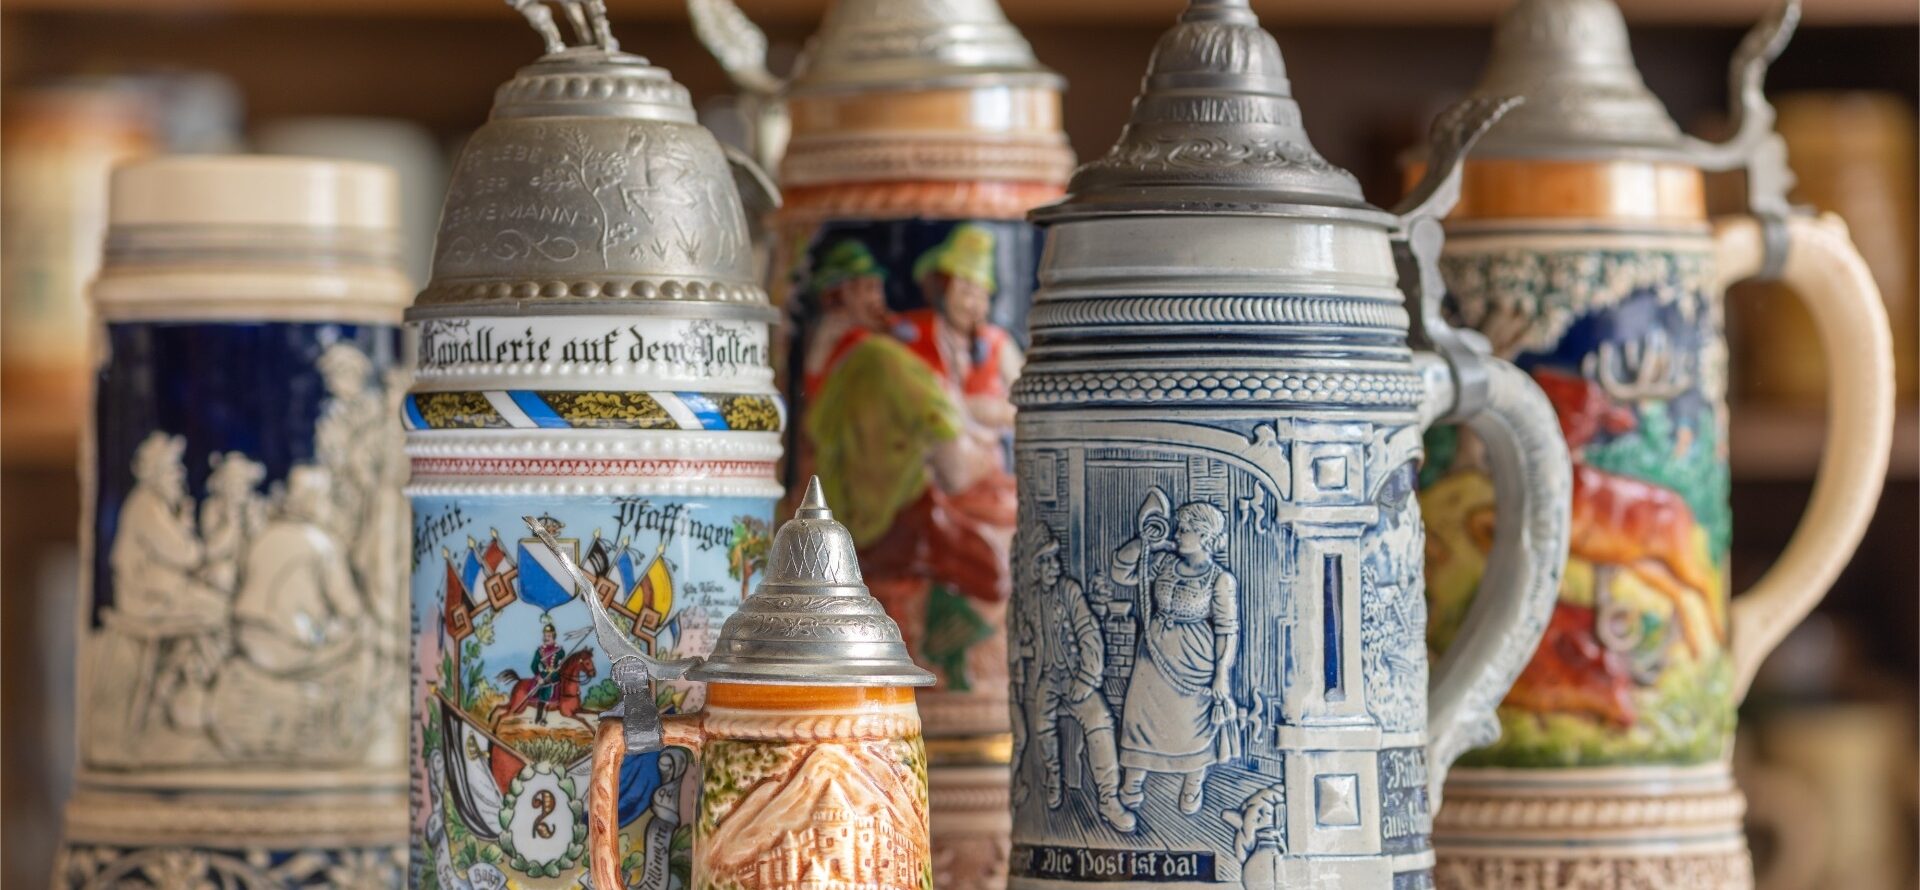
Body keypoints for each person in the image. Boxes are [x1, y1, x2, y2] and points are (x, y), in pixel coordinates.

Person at [1113, 497, 1241, 815]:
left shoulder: (1219, 579)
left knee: (1191, 724)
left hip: (1194, 657)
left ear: (1204, 536)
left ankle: (1193, 783)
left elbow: (1227, 629)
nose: (1177, 533)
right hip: (1153, 654)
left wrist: (1221, 675)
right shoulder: (1163, 563)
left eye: (1184, 529)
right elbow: (1121, 573)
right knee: (1140, 717)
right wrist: (1144, 541)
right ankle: (1132, 783)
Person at [1023, 525, 1135, 832]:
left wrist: (1087, 676)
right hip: (1049, 677)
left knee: (1099, 721)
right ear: (1035, 567)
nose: (1053, 566)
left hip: (1075, 675)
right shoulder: (1032, 598)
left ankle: (1109, 798)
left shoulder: (1069, 591)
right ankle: (1052, 779)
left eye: (1054, 559)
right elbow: (1033, 638)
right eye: (1045, 561)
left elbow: (1088, 631)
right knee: (1041, 724)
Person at [529, 618, 565, 725]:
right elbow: (534, 666)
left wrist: (561, 666)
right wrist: (538, 677)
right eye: (545, 636)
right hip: (544, 677)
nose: (546, 638)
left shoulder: (560, 650)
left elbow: (563, 663)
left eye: (549, 636)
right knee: (543, 695)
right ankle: (538, 718)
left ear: (553, 636)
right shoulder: (540, 651)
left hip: (556, 676)